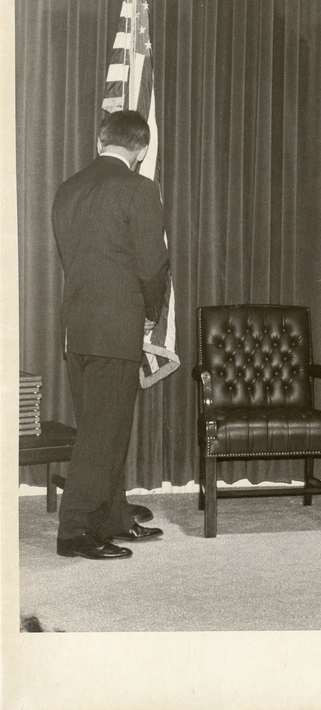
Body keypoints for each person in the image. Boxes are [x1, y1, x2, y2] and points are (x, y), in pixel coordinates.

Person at [51, 110, 169, 559]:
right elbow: (152, 266)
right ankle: (74, 531)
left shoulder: (69, 188)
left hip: (77, 331)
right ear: (141, 149)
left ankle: (113, 517)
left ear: (101, 140)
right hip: (116, 328)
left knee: (101, 430)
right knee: (104, 435)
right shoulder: (139, 189)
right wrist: (151, 313)